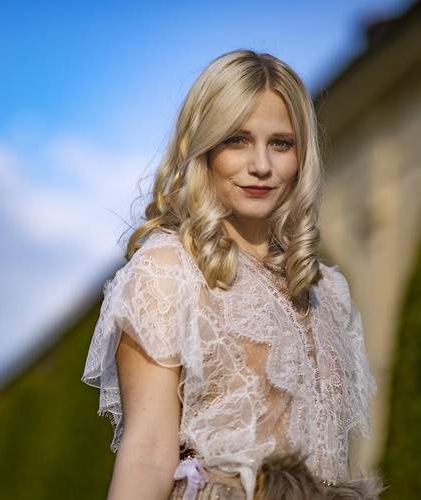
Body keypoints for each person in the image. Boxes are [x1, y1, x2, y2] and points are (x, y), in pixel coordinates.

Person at [81, 49, 385, 499]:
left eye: (280, 143)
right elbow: (146, 453)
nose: (261, 165)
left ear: (302, 155)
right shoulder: (168, 272)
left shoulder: (328, 290)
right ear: (203, 148)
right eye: (237, 140)